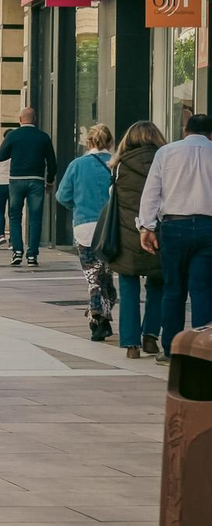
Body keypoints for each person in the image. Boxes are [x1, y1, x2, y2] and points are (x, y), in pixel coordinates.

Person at [138, 112, 212, 362]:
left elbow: (152, 192)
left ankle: (171, 349)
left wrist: (146, 227)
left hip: (174, 225)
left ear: (185, 130)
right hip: (208, 227)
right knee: (202, 289)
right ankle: (202, 350)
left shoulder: (167, 152)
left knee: (173, 290)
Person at [56, 123, 117, 341]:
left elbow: (62, 196)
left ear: (88, 142)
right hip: (110, 227)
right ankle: (101, 317)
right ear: (110, 142)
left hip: (84, 226)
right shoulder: (115, 165)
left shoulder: (77, 165)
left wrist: (78, 206)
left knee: (93, 277)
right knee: (105, 274)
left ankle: (97, 317)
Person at [112, 121, 167, 359]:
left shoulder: (119, 165)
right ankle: (151, 337)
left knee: (128, 287)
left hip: (126, 233)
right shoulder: (165, 160)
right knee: (158, 284)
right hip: (158, 231)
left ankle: (131, 344)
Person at [0, 107, 58, 267]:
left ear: (20, 119)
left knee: (15, 216)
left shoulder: (13, 135)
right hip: (36, 180)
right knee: (35, 218)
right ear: (34, 119)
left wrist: (14, 151)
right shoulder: (43, 137)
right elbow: (52, 162)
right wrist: (49, 181)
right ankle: (32, 255)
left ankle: (17, 251)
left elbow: (0, 155)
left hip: (16, 180)